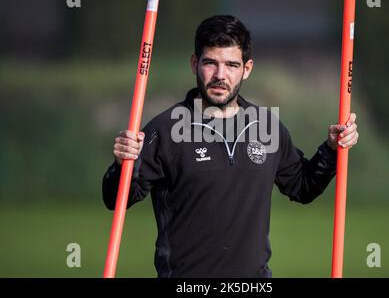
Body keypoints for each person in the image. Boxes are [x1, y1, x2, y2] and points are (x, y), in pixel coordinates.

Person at [102, 15, 359, 278]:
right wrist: (122, 164)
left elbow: (303, 186)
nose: (220, 75)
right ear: (194, 64)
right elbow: (116, 199)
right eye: (210, 63)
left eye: (231, 65)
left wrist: (331, 149)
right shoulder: (165, 130)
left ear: (247, 68)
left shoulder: (266, 126)